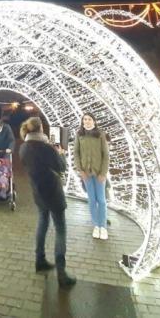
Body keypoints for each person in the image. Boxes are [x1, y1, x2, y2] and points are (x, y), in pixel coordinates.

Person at [19, 117, 76, 288]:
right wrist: (60, 153)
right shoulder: (46, 147)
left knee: (43, 222)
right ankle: (61, 273)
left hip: (38, 192)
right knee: (60, 230)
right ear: (41, 128)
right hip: (53, 192)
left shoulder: (23, 147)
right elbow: (62, 167)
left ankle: (40, 260)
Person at [73, 113, 110, 240]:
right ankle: (96, 225)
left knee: (101, 200)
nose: (87, 121)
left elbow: (106, 155)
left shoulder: (100, 134)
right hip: (86, 173)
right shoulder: (79, 134)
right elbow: (76, 153)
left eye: (89, 119)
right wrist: (80, 171)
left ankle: (103, 226)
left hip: (99, 172)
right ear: (82, 122)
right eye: (85, 119)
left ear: (94, 121)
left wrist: (103, 173)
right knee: (92, 200)